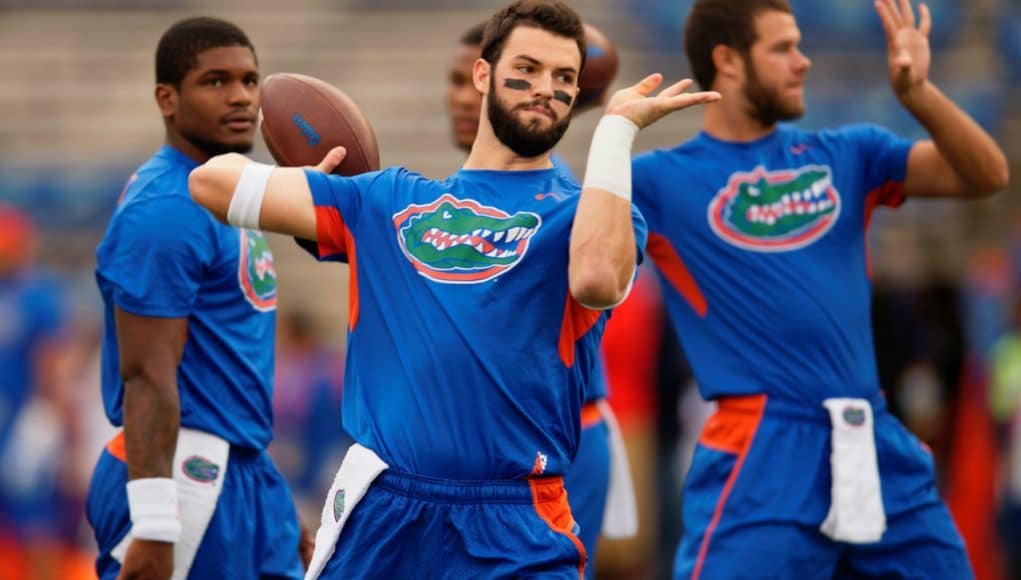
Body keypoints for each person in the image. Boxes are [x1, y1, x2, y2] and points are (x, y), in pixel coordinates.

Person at [189, 1, 718, 577]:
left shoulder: (585, 214)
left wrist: (615, 133)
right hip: (385, 511)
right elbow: (210, 182)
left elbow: (597, 280)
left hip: (514, 519)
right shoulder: (386, 200)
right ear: (484, 75)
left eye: (564, 78)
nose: (546, 88)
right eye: (529, 68)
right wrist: (309, 184)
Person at [630, 0, 1009, 578]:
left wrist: (919, 97)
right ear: (727, 61)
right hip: (762, 446)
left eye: (801, 45)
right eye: (783, 48)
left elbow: (986, 175)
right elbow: (588, 264)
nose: (803, 62)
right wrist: (612, 132)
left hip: (872, 433)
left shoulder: (848, 152)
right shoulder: (657, 179)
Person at [85, 17, 308, 580]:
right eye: (215, 82)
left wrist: (266, 491)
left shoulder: (227, 191)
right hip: (185, 476)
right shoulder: (165, 208)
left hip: (242, 470)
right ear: (167, 98)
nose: (240, 97)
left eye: (249, 80)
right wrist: (157, 523)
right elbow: (148, 375)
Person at [444, 21, 637, 574]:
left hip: (555, 444)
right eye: (456, 80)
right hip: (502, 451)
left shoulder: (558, 193)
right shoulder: (450, 196)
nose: (463, 96)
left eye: (470, 80)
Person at [0, 205, 75, 580]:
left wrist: (52, 420)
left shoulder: (37, 294)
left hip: (24, 422)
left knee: (34, 518)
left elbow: (53, 363)